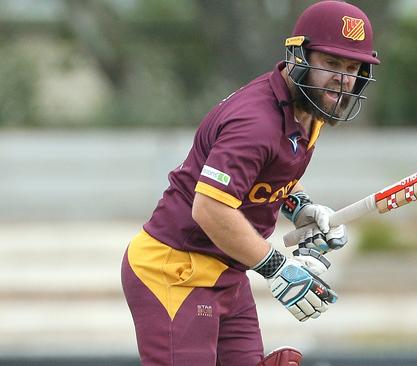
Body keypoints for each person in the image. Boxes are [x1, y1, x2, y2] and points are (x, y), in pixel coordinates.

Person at [120, 1, 380, 365]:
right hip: (176, 270)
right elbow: (209, 208)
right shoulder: (256, 123)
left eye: (352, 67)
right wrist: (278, 268)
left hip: (228, 269)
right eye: (331, 64)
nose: (342, 78)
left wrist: (300, 208)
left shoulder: (307, 111)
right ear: (298, 57)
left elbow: (271, 175)